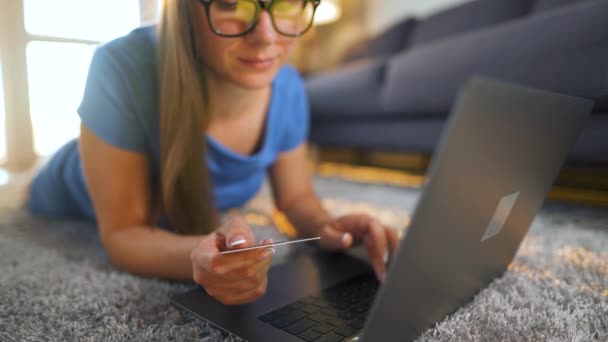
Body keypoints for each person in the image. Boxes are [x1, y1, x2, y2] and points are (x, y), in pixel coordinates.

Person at [25, 0, 399, 305]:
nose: (267, 37)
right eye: (232, 4)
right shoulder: (121, 66)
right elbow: (123, 235)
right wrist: (195, 258)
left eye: (285, 4)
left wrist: (327, 226)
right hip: (64, 185)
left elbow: (297, 198)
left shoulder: (288, 88)